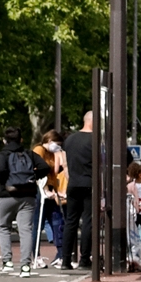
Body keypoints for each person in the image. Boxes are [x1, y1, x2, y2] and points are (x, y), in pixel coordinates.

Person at [0, 130, 47, 276]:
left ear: (4, 140)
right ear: (21, 140)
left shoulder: (3, 154)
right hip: (28, 195)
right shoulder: (29, 154)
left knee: (3, 227)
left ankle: (7, 262)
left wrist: (3, 180)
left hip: (7, 195)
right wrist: (33, 177)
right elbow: (45, 167)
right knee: (25, 229)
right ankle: (25, 266)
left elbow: (1, 170)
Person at [57, 109, 97, 271]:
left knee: (71, 221)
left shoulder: (70, 140)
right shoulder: (95, 140)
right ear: (93, 121)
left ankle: (66, 260)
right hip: (90, 183)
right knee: (88, 221)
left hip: (73, 183)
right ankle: (84, 259)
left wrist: (70, 178)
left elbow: (65, 164)